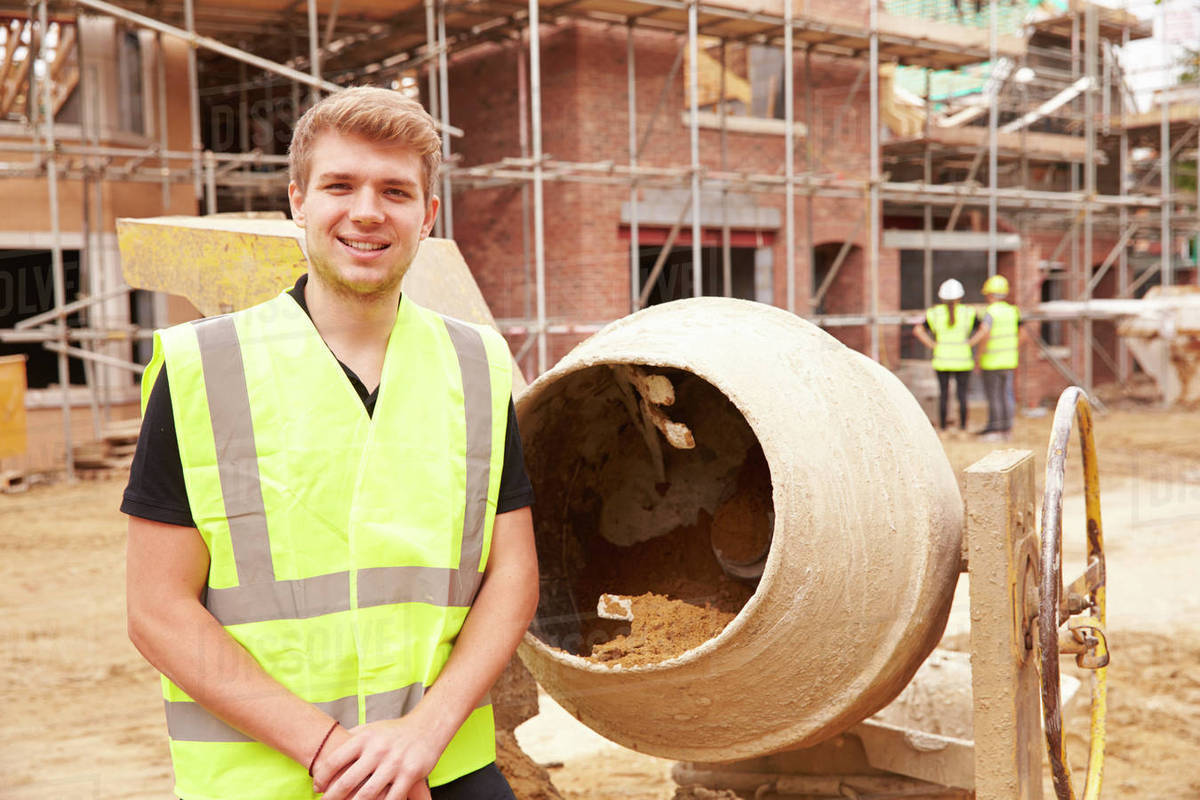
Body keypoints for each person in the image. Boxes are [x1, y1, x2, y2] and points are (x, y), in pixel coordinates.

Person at [122, 86, 539, 800]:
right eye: (339, 185)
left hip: (441, 766)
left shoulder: (479, 365)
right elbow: (157, 609)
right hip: (268, 778)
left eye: (396, 191)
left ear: (428, 215)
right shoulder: (203, 369)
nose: (368, 211)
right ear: (298, 201)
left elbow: (514, 574)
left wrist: (422, 736)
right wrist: (328, 752)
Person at [913, 278, 979, 434]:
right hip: (963, 360)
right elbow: (984, 329)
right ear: (960, 296)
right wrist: (970, 342)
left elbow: (918, 330)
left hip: (942, 360)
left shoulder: (934, 313)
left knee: (944, 394)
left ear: (942, 297)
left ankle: (943, 428)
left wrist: (933, 345)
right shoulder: (968, 313)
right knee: (962, 395)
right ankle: (962, 428)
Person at [970, 273, 1026, 441]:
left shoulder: (990, 312)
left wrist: (977, 356)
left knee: (994, 395)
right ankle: (1007, 429)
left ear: (989, 293)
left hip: (992, 362)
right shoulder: (1013, 311)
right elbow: (1023, 335)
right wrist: (1010, 348)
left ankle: (996, 430)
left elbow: (984, 334)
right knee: (1006, 394)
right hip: (1008, 360)